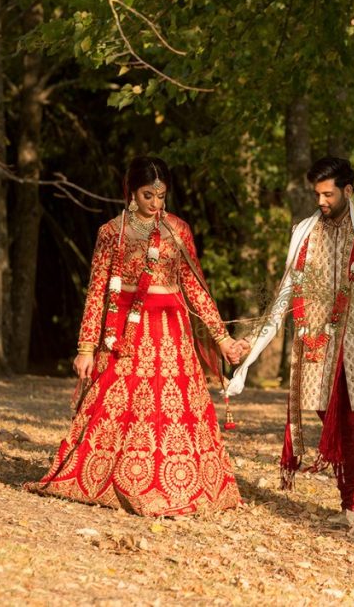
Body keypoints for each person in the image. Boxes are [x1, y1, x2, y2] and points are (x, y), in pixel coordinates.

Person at [26, 156, 247, 516]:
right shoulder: (111, 233)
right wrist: (85, 348)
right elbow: (98, 290)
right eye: (148, 195)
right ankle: (115, 478)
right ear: (131, 191)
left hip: (171, 331)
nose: (156, 204)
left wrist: (222, 340)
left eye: (162, 196)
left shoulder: (178, 230)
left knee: (169, 411)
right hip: (124, 332)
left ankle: (178, 486)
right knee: (120, 405)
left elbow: (194, 288)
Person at [226, 156, 354, 534]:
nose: (322, 201)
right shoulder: (305, 233)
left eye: (328, 194)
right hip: (318, 344)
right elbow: (285, 292)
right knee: (332, 424)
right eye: (317, 194)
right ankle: (349, 507)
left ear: (348, 190)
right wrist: (256, 339)